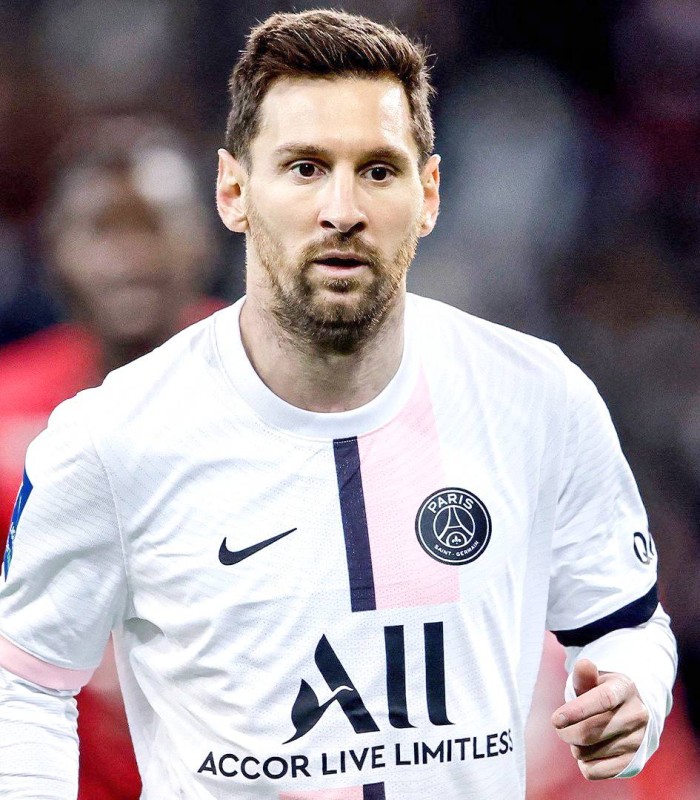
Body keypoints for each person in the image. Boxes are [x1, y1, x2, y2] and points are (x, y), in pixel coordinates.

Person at [0, 10, 676, 799]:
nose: (342, 209)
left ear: (429, 194)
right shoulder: (111, 435)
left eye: (379, 170)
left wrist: (634, 691)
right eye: (305, 168)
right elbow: (26, 686)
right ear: (233, 192)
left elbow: (626, 625)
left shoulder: (537, 396)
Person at [0, 117, 224, 799]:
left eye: (153, 225)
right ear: (54, 249)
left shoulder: (287, 385)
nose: (130, 255)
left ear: (205, 236)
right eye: (101, 228)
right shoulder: (5, 416)